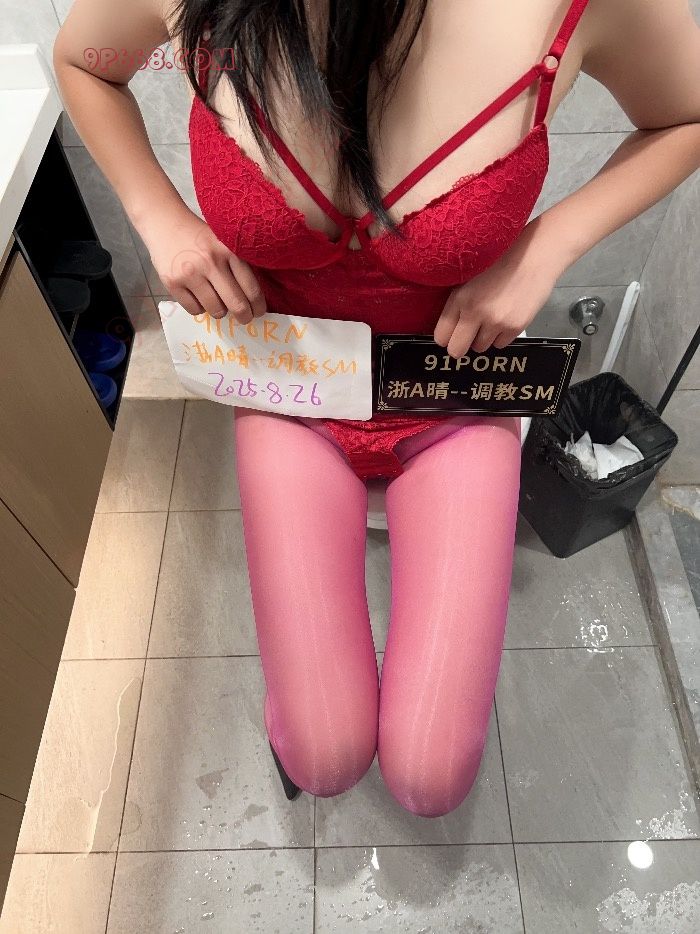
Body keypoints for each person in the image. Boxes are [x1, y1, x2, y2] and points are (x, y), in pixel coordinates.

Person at [54, 0, 700, 817]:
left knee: (432, 776)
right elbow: (85, 63)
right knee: (324, 755)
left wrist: (547, 246)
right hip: (295, 389)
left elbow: (685, 113)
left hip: (453, 393)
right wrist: (159, 216)